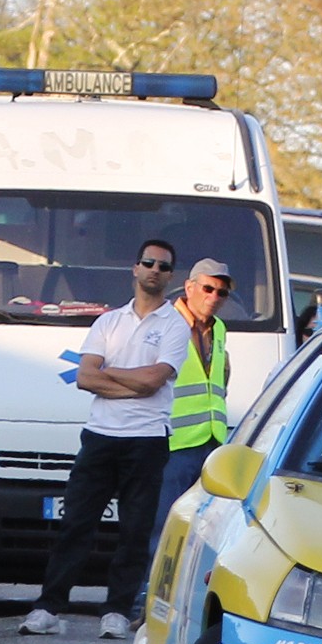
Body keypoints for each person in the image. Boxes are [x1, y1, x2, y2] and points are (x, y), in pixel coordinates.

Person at [20, 239, 190, 639]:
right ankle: (48, 607)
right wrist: (132, 381)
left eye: (163, 267)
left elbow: (154, 380)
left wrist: (111, 376)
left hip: (146, 439)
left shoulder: (174, 326)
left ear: (170, 277)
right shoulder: (107, 322)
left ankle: (115, 611)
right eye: (147, 262)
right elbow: (85, 376)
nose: (154, 270)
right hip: (99, 437)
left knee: (133, 530)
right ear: (135, 269)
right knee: (76, 523)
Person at [134, 259, 234, 621]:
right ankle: (143, 602)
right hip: (174, 442)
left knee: (200, 531)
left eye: (222, 292)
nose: (215, 297)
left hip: (210, 443)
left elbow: (220, 376)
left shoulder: (218, 328)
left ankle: (177, 605)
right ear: (189, 287)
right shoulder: (165, 323)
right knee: (161, 526)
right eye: (208, 288)